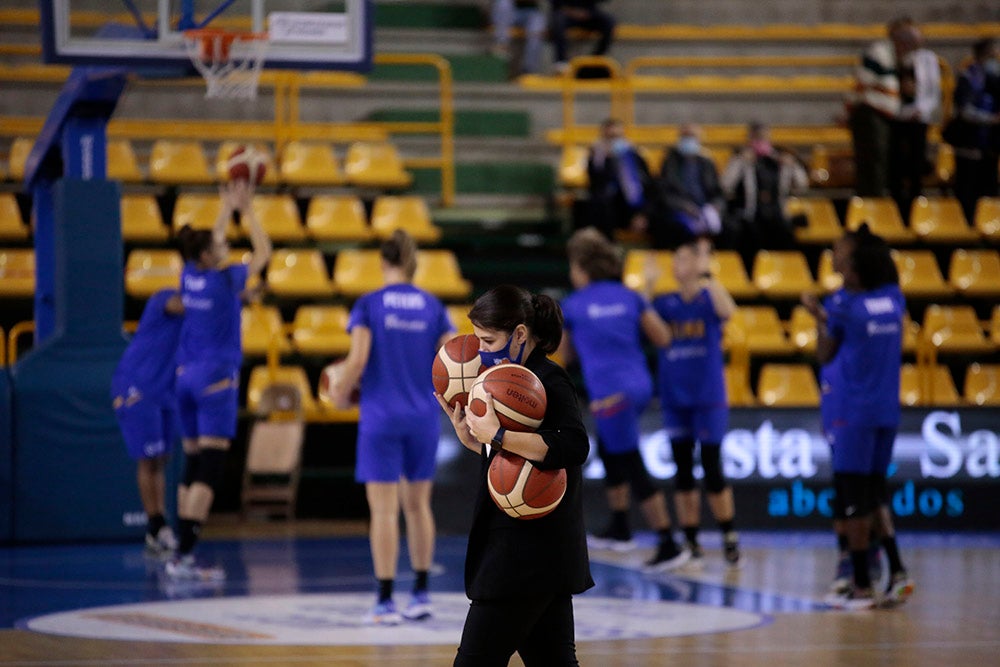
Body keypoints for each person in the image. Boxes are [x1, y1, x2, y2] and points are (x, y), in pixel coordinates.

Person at [437, 285, 593, 666]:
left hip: (522, 557)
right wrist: (476, 442)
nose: (481, 352)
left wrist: (499, 436)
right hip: (540, 555)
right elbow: (515, 462)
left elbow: (574, 446)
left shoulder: (547, 379)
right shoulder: (506, 376)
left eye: (489, 341)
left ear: (520, 334)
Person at [329, 230, 454, 625]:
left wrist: (339, 393)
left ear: (382, 263)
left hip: (381, 417)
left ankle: (385, 601)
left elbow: (358, 360)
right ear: (412, 264)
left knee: (383, 512)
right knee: (418, 507)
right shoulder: (433, 306)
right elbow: (452, 360)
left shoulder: (369, 304)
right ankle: (421, 594)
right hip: (423, 417)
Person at [559, 228, 688, 572]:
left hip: (611, 394)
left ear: (581, 268)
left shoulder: (574, 305)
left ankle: (668, 542)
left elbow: (564, 356)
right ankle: (620, 527)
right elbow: (663, 338)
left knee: (631, 461)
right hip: (639, 386)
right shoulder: (630, 297)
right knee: (610, 450)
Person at [801, 224, 914, 610]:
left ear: (855, 264)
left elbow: (824, 353)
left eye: (840, 251)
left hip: (851, 413)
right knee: (875, 494)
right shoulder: (894, 299)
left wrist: (818, 316)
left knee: (852, 500)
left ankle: (860, 584)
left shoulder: (843, 305)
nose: (834, 256)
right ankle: (897, 571)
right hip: (885, 411)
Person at [166, 180, 271, 581]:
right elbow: (264, 252)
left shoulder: (189, 275)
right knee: (209, 467)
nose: (225, 245)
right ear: (209, 255)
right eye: (219, 245)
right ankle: (185, 555)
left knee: (192, 463)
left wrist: (227, 207)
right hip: (215, 381)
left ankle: (180, 548)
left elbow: (212, 241)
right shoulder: (227, 279)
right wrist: (249, 209)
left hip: (184, 377)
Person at [650, 237, 741, 569]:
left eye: (683, 258)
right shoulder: (665, 302)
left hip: (708, 397)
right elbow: (644, 323)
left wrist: (706, 274)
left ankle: (729, 535)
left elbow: (728, 311)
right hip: (675, 397)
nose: (677, 265)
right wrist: (647, 285)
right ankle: (691, 540)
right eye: (675, 259)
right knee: (683, 470)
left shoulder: (709, 298)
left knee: (713, 468)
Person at [111, 288, 184, 557]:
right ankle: (156, 525)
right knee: (148, 459)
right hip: (138, 387)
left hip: (166, 390)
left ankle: (158, 526)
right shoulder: (164, 298)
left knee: (161, 458)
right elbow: (184, 305)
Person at [845, 16, 918, 197]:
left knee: (883, 161)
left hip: (886, 117)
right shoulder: (879, 53)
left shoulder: (901, 58)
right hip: (870, 114)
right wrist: (848, 110)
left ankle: (878, 200)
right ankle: (871, 202)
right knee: (873, 161)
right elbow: (862, 83)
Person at [720, 122, 809, 267]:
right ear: (750, 139)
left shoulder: (780, 159)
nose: (761, 141)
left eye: (764, 137)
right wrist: (740, 162)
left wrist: (793, 165)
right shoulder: (741, 159)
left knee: (785, 235)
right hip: (751, 216)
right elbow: (725, 186)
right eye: (757, 138)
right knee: (745, 237)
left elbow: (802, 185)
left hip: (777, 214)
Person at [888, 24, 941, 217]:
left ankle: (916, 207)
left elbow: (933, 90)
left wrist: (922, 109)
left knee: (916, 164)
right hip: (897, 116)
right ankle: (896, 208)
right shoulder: (895, 58)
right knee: (896, 164)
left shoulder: (928, 59)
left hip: (919, 118)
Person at [948, 38, 1000, 223]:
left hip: (989, 146)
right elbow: (964, 110)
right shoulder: (968, 77)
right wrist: (990, 119)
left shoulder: (995, 79)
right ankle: (966, 223)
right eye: (992, 55)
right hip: (968, 144)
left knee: (989, 188)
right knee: (968, 189)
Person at [654, 124, 725, 250]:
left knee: (731, 227)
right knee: (674, 226)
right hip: (681, 209)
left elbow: (718, 192)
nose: (689, 140)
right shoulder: (670, 162)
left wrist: (715, 206)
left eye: (692, 136)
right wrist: (685, 206)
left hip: (705, 210)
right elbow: (665, 194)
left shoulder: (707, 163)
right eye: (685, 136)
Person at [584, 118, 656, 241]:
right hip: (612, 208)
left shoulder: (635, 157)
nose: (614, 142)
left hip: (636, 207)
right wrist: (604, 159)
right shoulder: (597, 159)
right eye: (610, 138)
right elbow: (596, 185)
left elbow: (649, 186)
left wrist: (643, 214)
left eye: (617, 137)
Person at [550, 0, 615, 75]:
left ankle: (596, 58)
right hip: (566, 14)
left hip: (587, 14)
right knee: (558, 20)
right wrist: (573, 12)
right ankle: (561, 61)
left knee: (609, 22)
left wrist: (587, 12)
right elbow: (556, 5)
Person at [490, 0, 546, 76]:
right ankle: (501, 45)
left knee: (538, 24)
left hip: (530, 12)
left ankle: (529, 70)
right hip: (509, 12)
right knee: (503, 4)